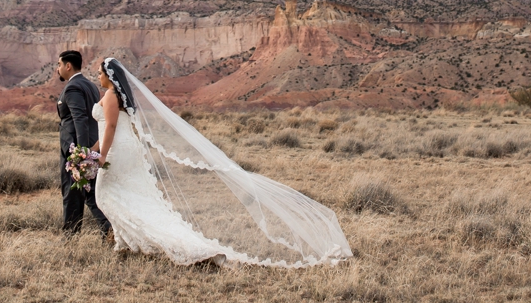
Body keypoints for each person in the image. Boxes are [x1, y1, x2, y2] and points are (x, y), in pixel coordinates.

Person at [90, 56, 351, 267]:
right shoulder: (114, 95)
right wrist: (88, 152)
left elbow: (111, 126)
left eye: (100, 72)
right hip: (120, 149)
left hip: (117, 152)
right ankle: (125, 242)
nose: (97, 76)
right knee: (121, 196)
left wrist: (100, 156)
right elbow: (107, 129)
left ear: (110, 75)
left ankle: (134, 242)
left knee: (106, 194)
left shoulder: (112, 96)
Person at [54, 50, 111, 235]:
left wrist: (81, 154)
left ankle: (71, 236)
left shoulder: (72, 87)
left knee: (73, 194)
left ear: (68, 66)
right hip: (91, 146)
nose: (58, 68)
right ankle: (108, 231)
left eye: (59, 65)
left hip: (76, 150)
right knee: (92, 194)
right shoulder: (92, 86)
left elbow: (79, 119)